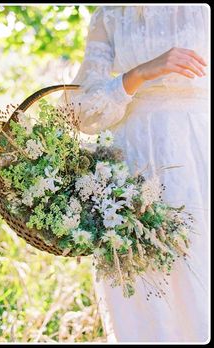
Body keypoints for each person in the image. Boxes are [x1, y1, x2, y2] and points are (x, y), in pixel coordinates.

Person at [67, 5, 210, 343]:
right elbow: (82, 112)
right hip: (131, 167)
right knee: (146, 293)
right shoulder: (109, 15)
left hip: (200, 152)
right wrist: (139, 74)